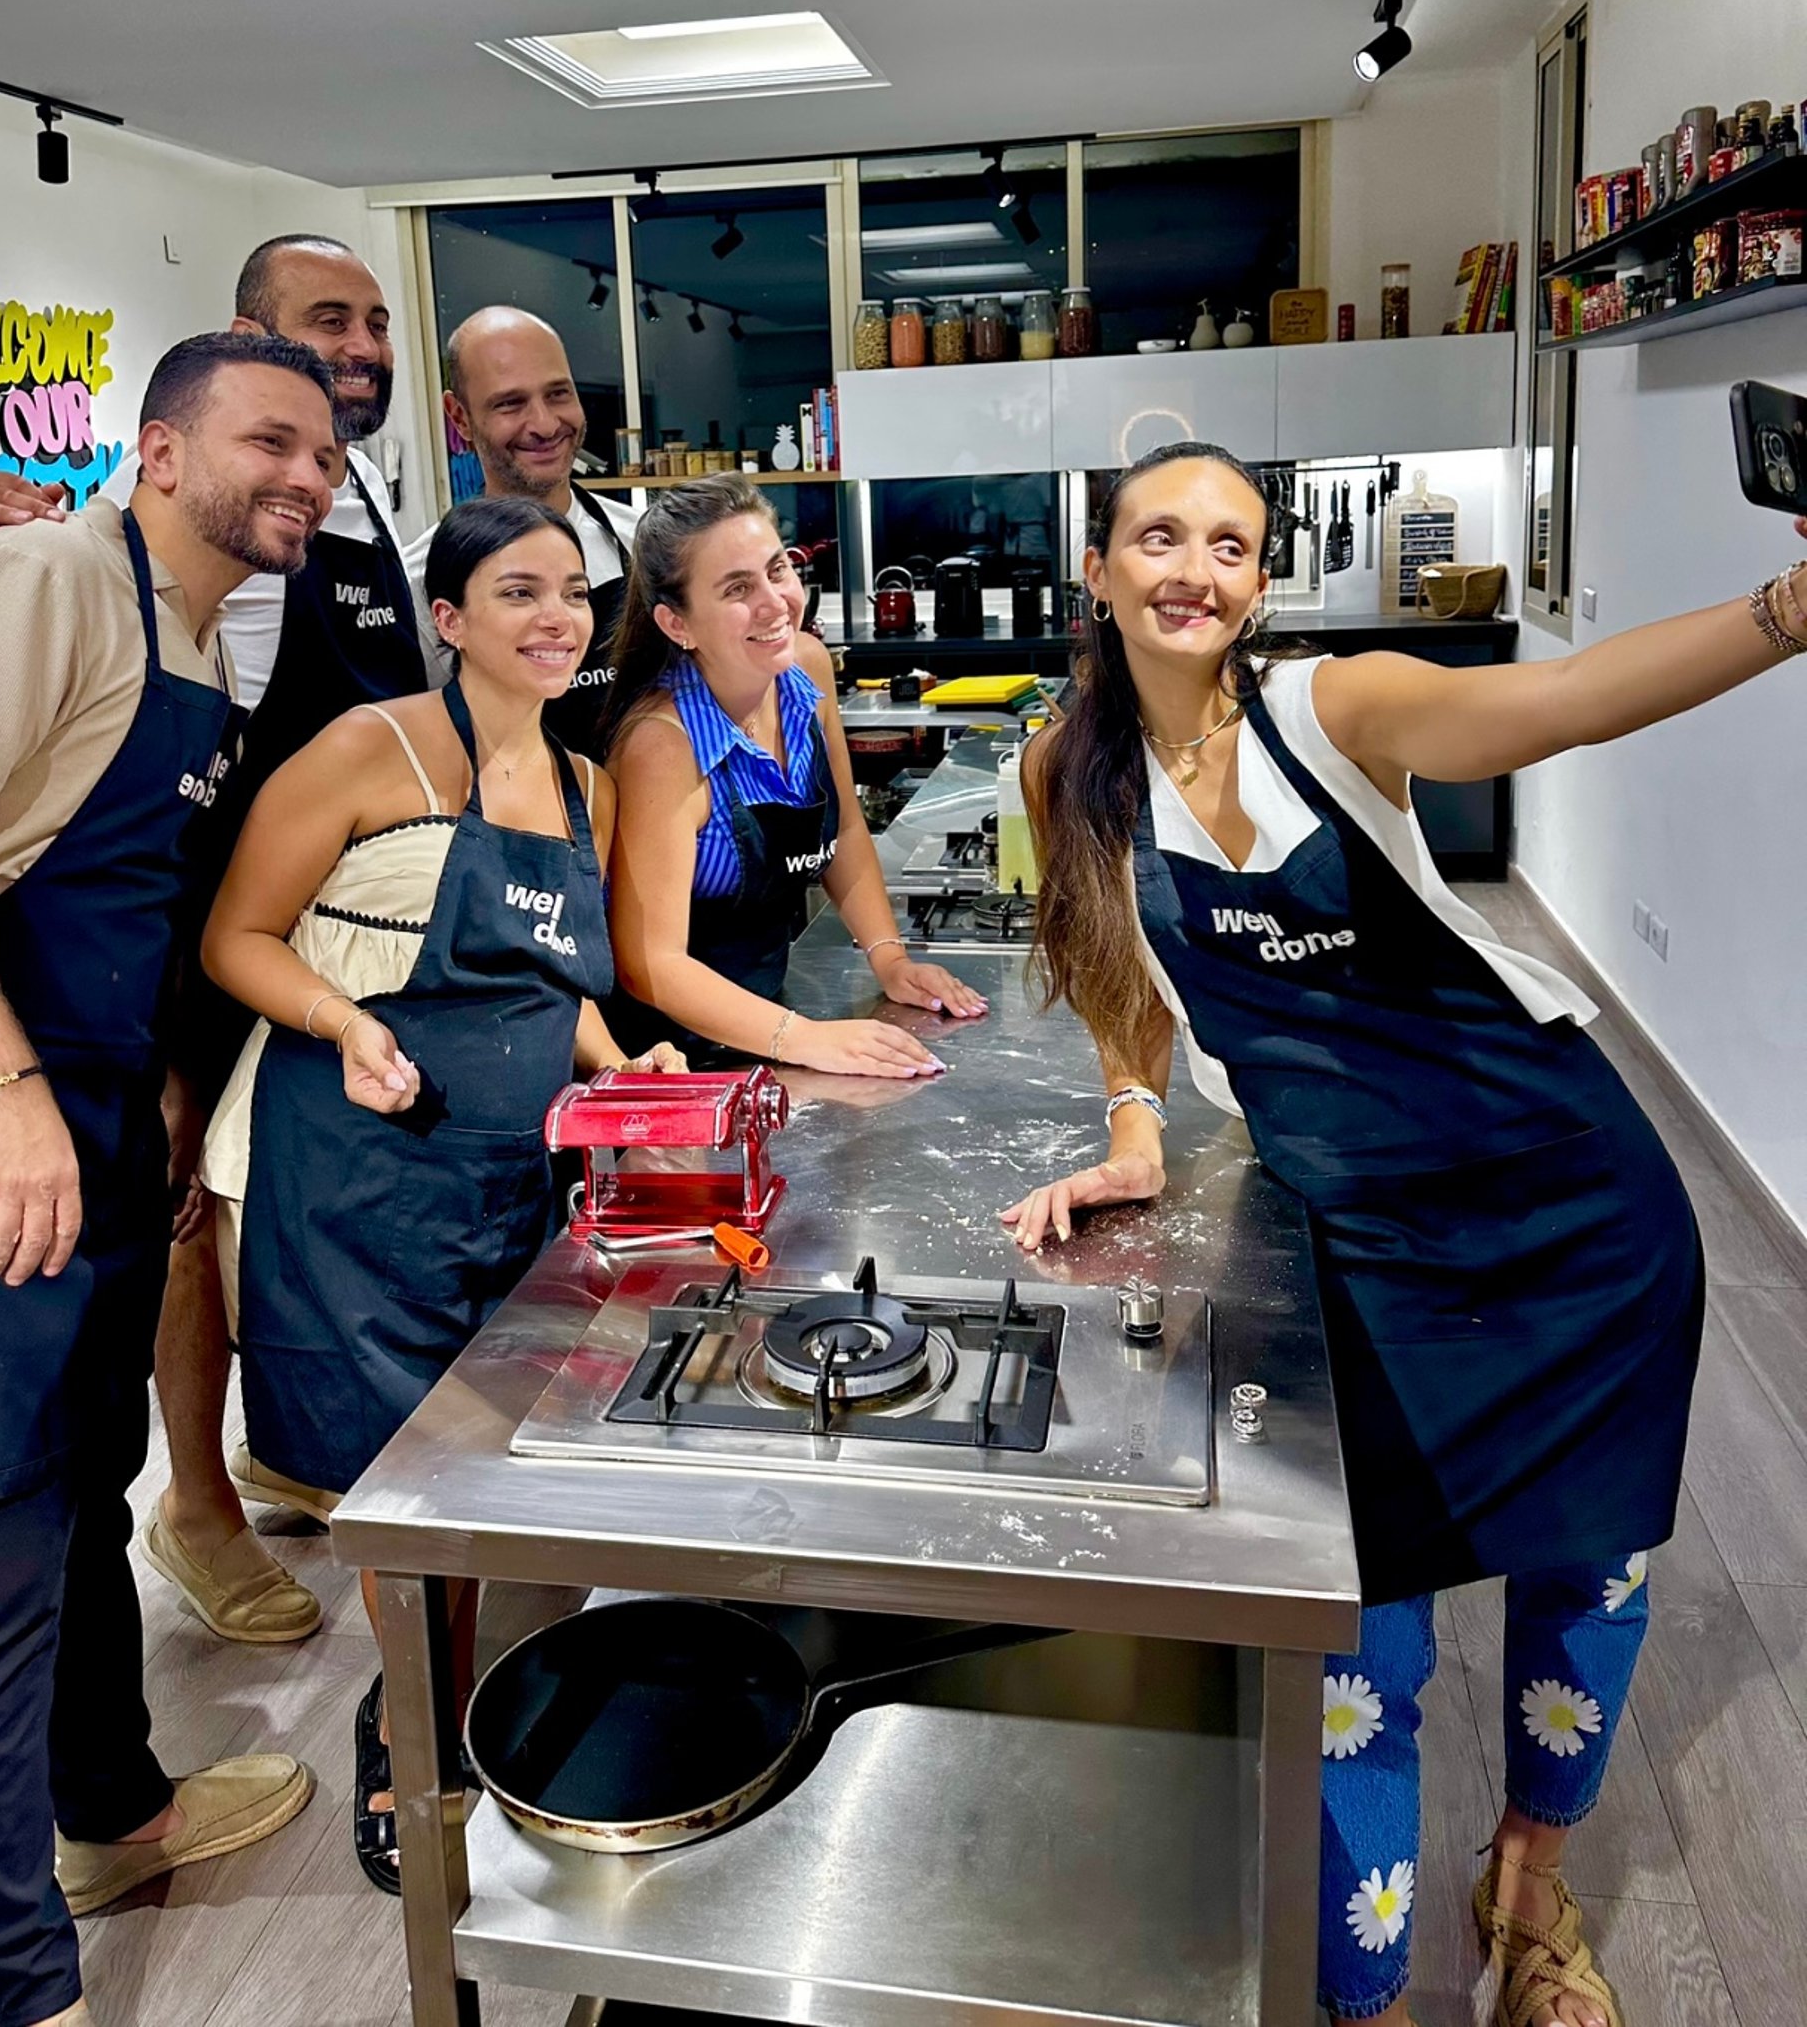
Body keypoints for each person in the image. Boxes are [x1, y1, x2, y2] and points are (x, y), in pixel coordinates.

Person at [1012, 440, 1807, 2027]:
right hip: (1360, 1248)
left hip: (1569, 1207)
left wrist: (1788, 609)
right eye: (1158, 537)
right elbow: (1114, 977)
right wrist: (1130, 1127)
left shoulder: (1333, 712)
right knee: (1359, 1636)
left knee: (1587, 1568)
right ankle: (1365, 1983)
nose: (1194, 569)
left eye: (1230, 545)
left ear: (1258, 579)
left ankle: (1528, 1891)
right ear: (1097, 569)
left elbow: (1566, 704)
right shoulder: (1065, 773)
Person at [0, 332, 337, 2027]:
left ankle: (117, 1814)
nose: (299, 473)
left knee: (81, 1482)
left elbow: (108, 891)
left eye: (318, 452)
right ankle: (23, 1993)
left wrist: (139, 1079)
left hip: (83, 1114)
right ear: (156, 449)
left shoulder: (197, 647)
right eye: (264, 440)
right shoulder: (39, 581)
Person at [0, 234, 430, 1647]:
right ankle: (198, 1503)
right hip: (159, 925)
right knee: (177, 1224)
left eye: (376, 325)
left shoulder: (364, 504)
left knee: (263, 1189)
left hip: (302, 917)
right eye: (323, 323)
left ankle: (274, 1447)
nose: (360, 349)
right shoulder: (106, 552)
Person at [196, 495, 683, 1890]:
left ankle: (445, 1694)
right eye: (516, 592)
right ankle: (405, 1738)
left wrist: (621, 1053)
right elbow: (240, 934)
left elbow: (552, 985)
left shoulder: (586, 785)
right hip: (356, 1168)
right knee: (394, 1486)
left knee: (477, 1459)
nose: (553, 617)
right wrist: (346, 1026)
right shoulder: (372, 747)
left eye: (572, 594)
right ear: (451, 618)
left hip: (504, 1164)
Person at [602, 474, 985, 1075]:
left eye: (776, 569)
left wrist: (889, 959)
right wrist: (804, 1039)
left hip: (773, 1024)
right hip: (676, 1057)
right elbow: (650, 962)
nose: (775, 602)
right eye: (736, 588)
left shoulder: (804, 668)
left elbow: (844, 830)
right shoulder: (662, 745)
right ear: (678, 624)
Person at [438, 303, 635, 750]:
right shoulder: (427, 574)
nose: (545, 424)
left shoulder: (647, 542)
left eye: (559, 394)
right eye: (510, 403)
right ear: (460, 417)